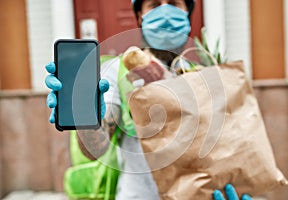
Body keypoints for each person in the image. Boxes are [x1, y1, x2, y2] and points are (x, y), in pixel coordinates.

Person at [45, 0, 252, 199]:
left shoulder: (201, 75)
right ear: (140, 16)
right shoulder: (118, 71)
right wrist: (85, 116)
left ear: (187, 12)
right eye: (154, 4)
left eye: (173, 3)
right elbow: (96, 149)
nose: (165, 12)